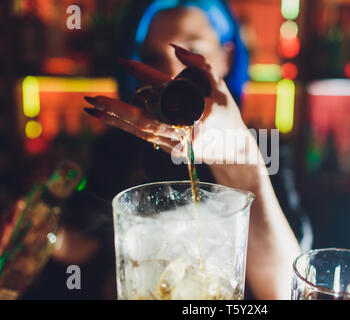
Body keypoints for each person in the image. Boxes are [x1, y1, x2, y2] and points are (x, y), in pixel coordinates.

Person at [25, 0, 311, 300]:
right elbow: (86, 247)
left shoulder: (267, 145)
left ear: (226, 57)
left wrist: (241, 160)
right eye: (153, 57)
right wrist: (42, 232)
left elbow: (285, 290)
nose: (171, 72)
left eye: (190, 53)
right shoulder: (117, 146)